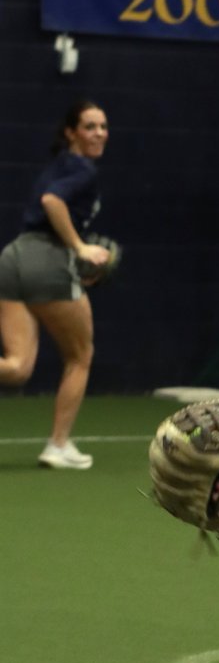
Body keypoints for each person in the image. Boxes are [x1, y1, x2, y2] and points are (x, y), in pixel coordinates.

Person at [0, 99, 112, 469]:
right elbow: (52, 202)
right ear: (71, 132)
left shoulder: (59, 165)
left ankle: (60, 444)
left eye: (103, 126)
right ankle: (58, 445)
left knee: (16, 367)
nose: (99, 133)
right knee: (80, 356)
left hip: (13, 257)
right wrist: (80, 247)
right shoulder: (82, 170)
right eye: (90, 126)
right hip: (46, 259)